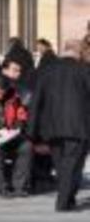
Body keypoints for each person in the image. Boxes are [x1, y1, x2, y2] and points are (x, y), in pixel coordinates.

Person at [29, 39, 90, 212]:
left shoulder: (47, 70)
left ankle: (68, 199)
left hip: (51, 128)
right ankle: (63, 202)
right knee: (72, 165)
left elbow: (36, 100)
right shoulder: (85, 69)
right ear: (78, 51)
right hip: (78, 127)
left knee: (62, 165)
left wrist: (31, 130)